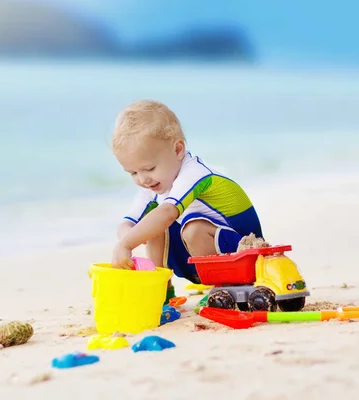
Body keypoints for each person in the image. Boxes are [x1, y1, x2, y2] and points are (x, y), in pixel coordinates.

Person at [111, 100, 263, 300]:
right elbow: (128, 223)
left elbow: (167, 213)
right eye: (133, 172)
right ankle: (160, 290)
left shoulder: (195, 173)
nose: (142, 179)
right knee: (151, 223)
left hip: (243, 255)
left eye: (149, 169)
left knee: (188, 226)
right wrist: (129, 238)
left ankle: (227, 286)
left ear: (177, 150)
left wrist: (127, 245)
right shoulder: (154, 184)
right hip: (200, 259)